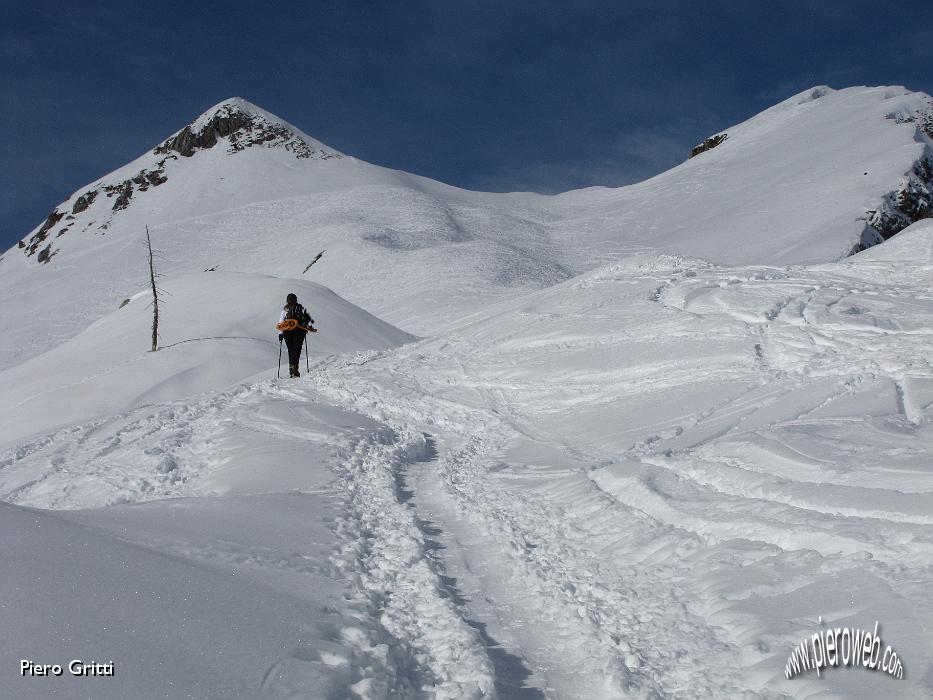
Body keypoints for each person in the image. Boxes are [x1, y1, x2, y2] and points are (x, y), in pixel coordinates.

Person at [277, 293, 316, 377]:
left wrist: (280, 334)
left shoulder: (285, 310)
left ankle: (291, 367)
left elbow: (280, 323)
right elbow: (309, 320)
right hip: (299, 331)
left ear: (287, 300)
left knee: (290, 350)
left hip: (287, 331)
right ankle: (295, 368)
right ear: (296, 299)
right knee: (297, 350)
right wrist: (309, 328)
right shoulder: (302, 308)